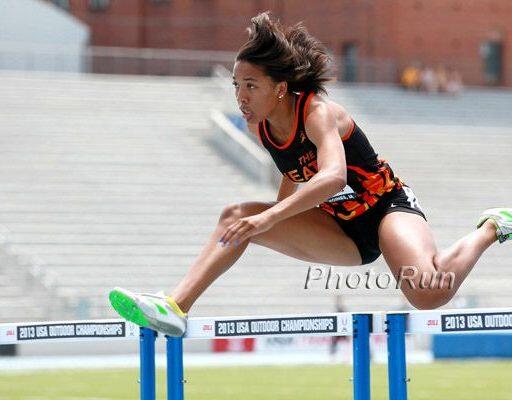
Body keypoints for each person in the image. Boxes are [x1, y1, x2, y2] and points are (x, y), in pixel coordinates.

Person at [109, 12, 511, 337]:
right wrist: (272, 218)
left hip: (386, 208)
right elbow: (295, 174)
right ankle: (175, 307)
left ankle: (492, 226)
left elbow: (333, 177)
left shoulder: (318, 112)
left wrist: (270, 217)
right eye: (236, 86)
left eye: (250, 86)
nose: (240, 97)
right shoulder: (261, 128)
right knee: (236, 216)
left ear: (280, 88)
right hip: (341, 228)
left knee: (427, 294)